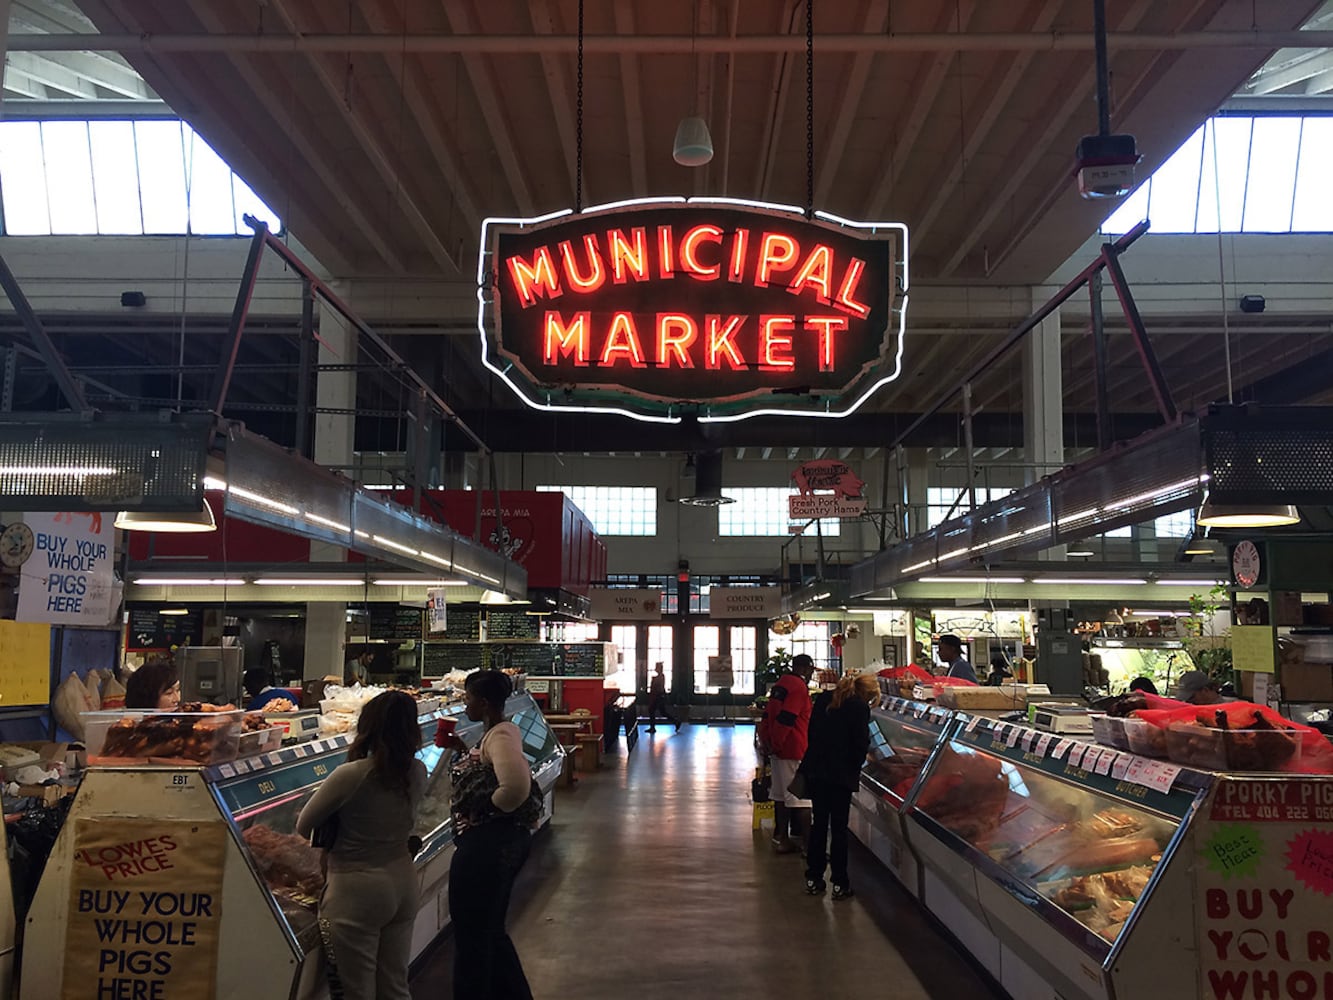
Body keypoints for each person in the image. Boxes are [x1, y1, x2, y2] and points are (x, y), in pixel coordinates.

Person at [295, 691, 426, 1000]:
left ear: (368, 725)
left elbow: (304, 826)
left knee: (356, 991)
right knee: (395, 986)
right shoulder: (416, 771)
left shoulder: (351, 774)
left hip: (355, 891)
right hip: (403, 883)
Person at [445, 669, 537, 999]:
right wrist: (462, 748)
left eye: (468, 698)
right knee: (489, 931)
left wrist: (485, 811)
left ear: (484, 703)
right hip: (498, 843)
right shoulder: (497, 732)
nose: (464, 704)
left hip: (489, 845)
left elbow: (514, 788)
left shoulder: (500, 735)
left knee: (473, 935)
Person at [801, 673, 878, 900]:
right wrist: (856, 766)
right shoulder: (859, 708)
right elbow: (860, 743)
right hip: (841, 775)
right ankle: (839, 882)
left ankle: (813, 878)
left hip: (817, 772)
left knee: (819, 825)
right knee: (839, 829)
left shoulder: (824, 699)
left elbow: (812, 733)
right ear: (867, 694)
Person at [761, 653, 815, 855]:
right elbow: (787, 718)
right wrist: (778, 742)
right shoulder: (799, 688)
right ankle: (809, 847)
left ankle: (781, 838)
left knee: (781, 796)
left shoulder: (780, 685)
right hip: (793, 748)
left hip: (778, 750)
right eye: (810, 670)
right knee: (802, 798)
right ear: (804, 669)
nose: (810, 675)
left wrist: (767, 741)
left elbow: (768, 715)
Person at [645, 661, 680, 733]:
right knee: (662, 712)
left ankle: (653, 727)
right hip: (659, 696)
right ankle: (676, 722)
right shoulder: (660, 676)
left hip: (658, 696)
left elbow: (659, 688)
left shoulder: (660, 677)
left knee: (652, 710)